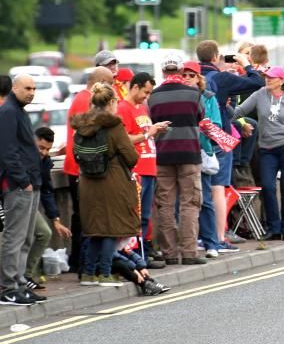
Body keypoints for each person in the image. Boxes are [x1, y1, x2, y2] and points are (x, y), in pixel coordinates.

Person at [196, 41, 264, 252]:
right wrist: (246, 63)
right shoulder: (222, 78)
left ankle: (198, 237)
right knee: (218, 188)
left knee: (198, 191)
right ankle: (217, 237)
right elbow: (257, 82)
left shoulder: (192, 76)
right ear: (215, 56)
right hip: (217, 138)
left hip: (195, 139)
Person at [71, 83, 140, 287]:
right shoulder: (114, 126)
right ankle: (105, 272)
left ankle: (89, 274)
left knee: (94, 230)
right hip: (112, 182)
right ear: (111, 102)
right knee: (111, 228)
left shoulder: (81, 126)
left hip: (87, 182)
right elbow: (131, 157)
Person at [233, 66, 284, 240]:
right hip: (267, 148)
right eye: (266, 77)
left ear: (282, 80)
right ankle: (274, 228)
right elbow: (239, 111)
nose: (268, 79)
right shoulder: (260, 94)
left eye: (272, 77)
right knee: (267, 186)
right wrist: (236, 121)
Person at [148, 52, 206, 266]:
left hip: (162, 156)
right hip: (189, 154)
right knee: (190, 203)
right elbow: (201, 116)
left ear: (163, 71)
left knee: (165, 205)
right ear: (181, 71)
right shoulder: (193, 94)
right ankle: (189, 252)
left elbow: (150, 123)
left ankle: (170, 253)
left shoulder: (153, 96)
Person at [63, 65, 115, 272]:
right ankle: (82, 262)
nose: (112, 88)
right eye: (110, 83)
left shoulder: (79, 98)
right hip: (84, 167)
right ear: (98, 82)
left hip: (76, 164)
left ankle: (78, 260)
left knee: (81, 216)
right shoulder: (88, 101)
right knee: (88, 218)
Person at [0, 75, 45, 306]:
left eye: (34, 88)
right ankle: (8, 287)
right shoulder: (8, 111)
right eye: (27, 88)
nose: (31, 92)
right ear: (14, 88)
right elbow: (7, 151)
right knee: (14, 237)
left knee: (26, 238)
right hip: (18, 185)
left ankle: (19, 284)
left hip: (30, 183)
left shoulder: (19, 111)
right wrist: (23, 180)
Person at [181, 63, 227, 258]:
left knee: (205, 199)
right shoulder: (179, 96)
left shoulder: (208, 97)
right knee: (184, 200)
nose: (188, 78)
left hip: (202, 151)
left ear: (199, 78)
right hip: (182, 151)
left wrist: (202, 126)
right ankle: (188, 242)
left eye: (192, 75)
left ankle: (211, 243)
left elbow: (217, 125)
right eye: (185, 75)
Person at [117, 72, 168, 244]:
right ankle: (136, 250)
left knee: (146, 214)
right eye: (145, 92)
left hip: (149, 168)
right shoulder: (123, 108)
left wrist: (154, 129)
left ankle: (145, 248)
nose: (147, 96)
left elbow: (144, 133)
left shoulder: (142, 108)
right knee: (136, 214)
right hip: (137, 169)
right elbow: (123, 139)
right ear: (135, 87)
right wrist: (148, 133)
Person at [26, 127, 73, 288]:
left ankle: (27, 275)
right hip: (12, 202)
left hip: (30, 203)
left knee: (44, 233)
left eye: (47, 149)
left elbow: (47, 190)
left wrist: (56, 219)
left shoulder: (45, 161)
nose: (44, 153)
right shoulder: (22, 155)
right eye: (41, 148)